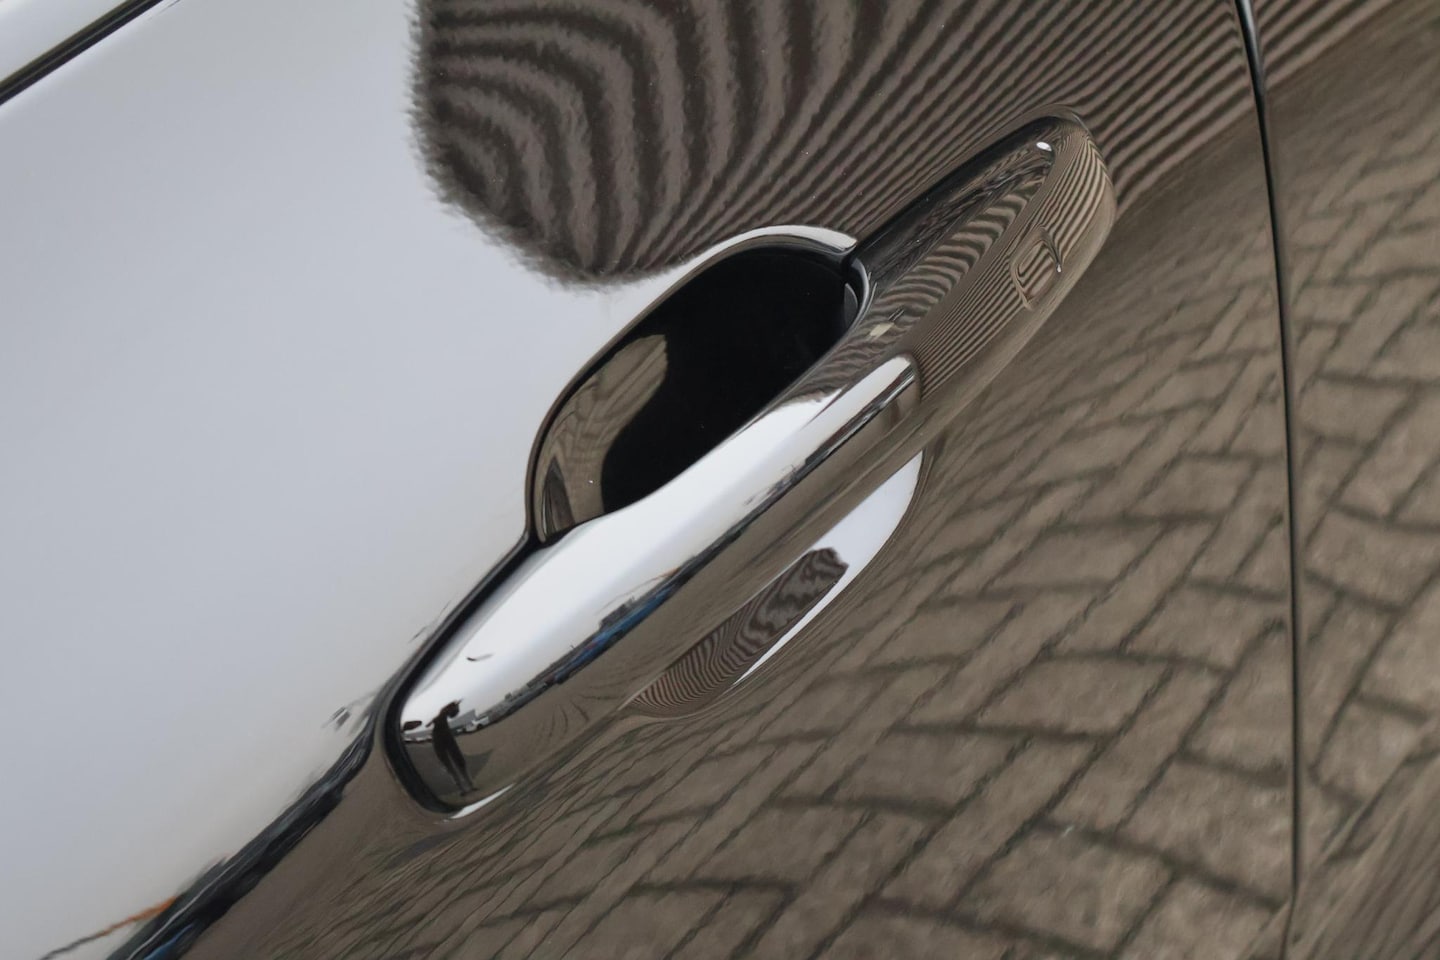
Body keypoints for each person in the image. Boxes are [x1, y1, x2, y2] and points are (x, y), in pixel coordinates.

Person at [429, 701, 473, 796]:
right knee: (451, 766)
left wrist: (455, 708)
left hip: (446, 740)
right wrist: (454, 708)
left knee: (457, 763)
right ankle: (464, 787)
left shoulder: (441, 716)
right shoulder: (440, 717)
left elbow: (452, 714)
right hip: (441, 741)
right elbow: (452, 714)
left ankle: (467, 786)